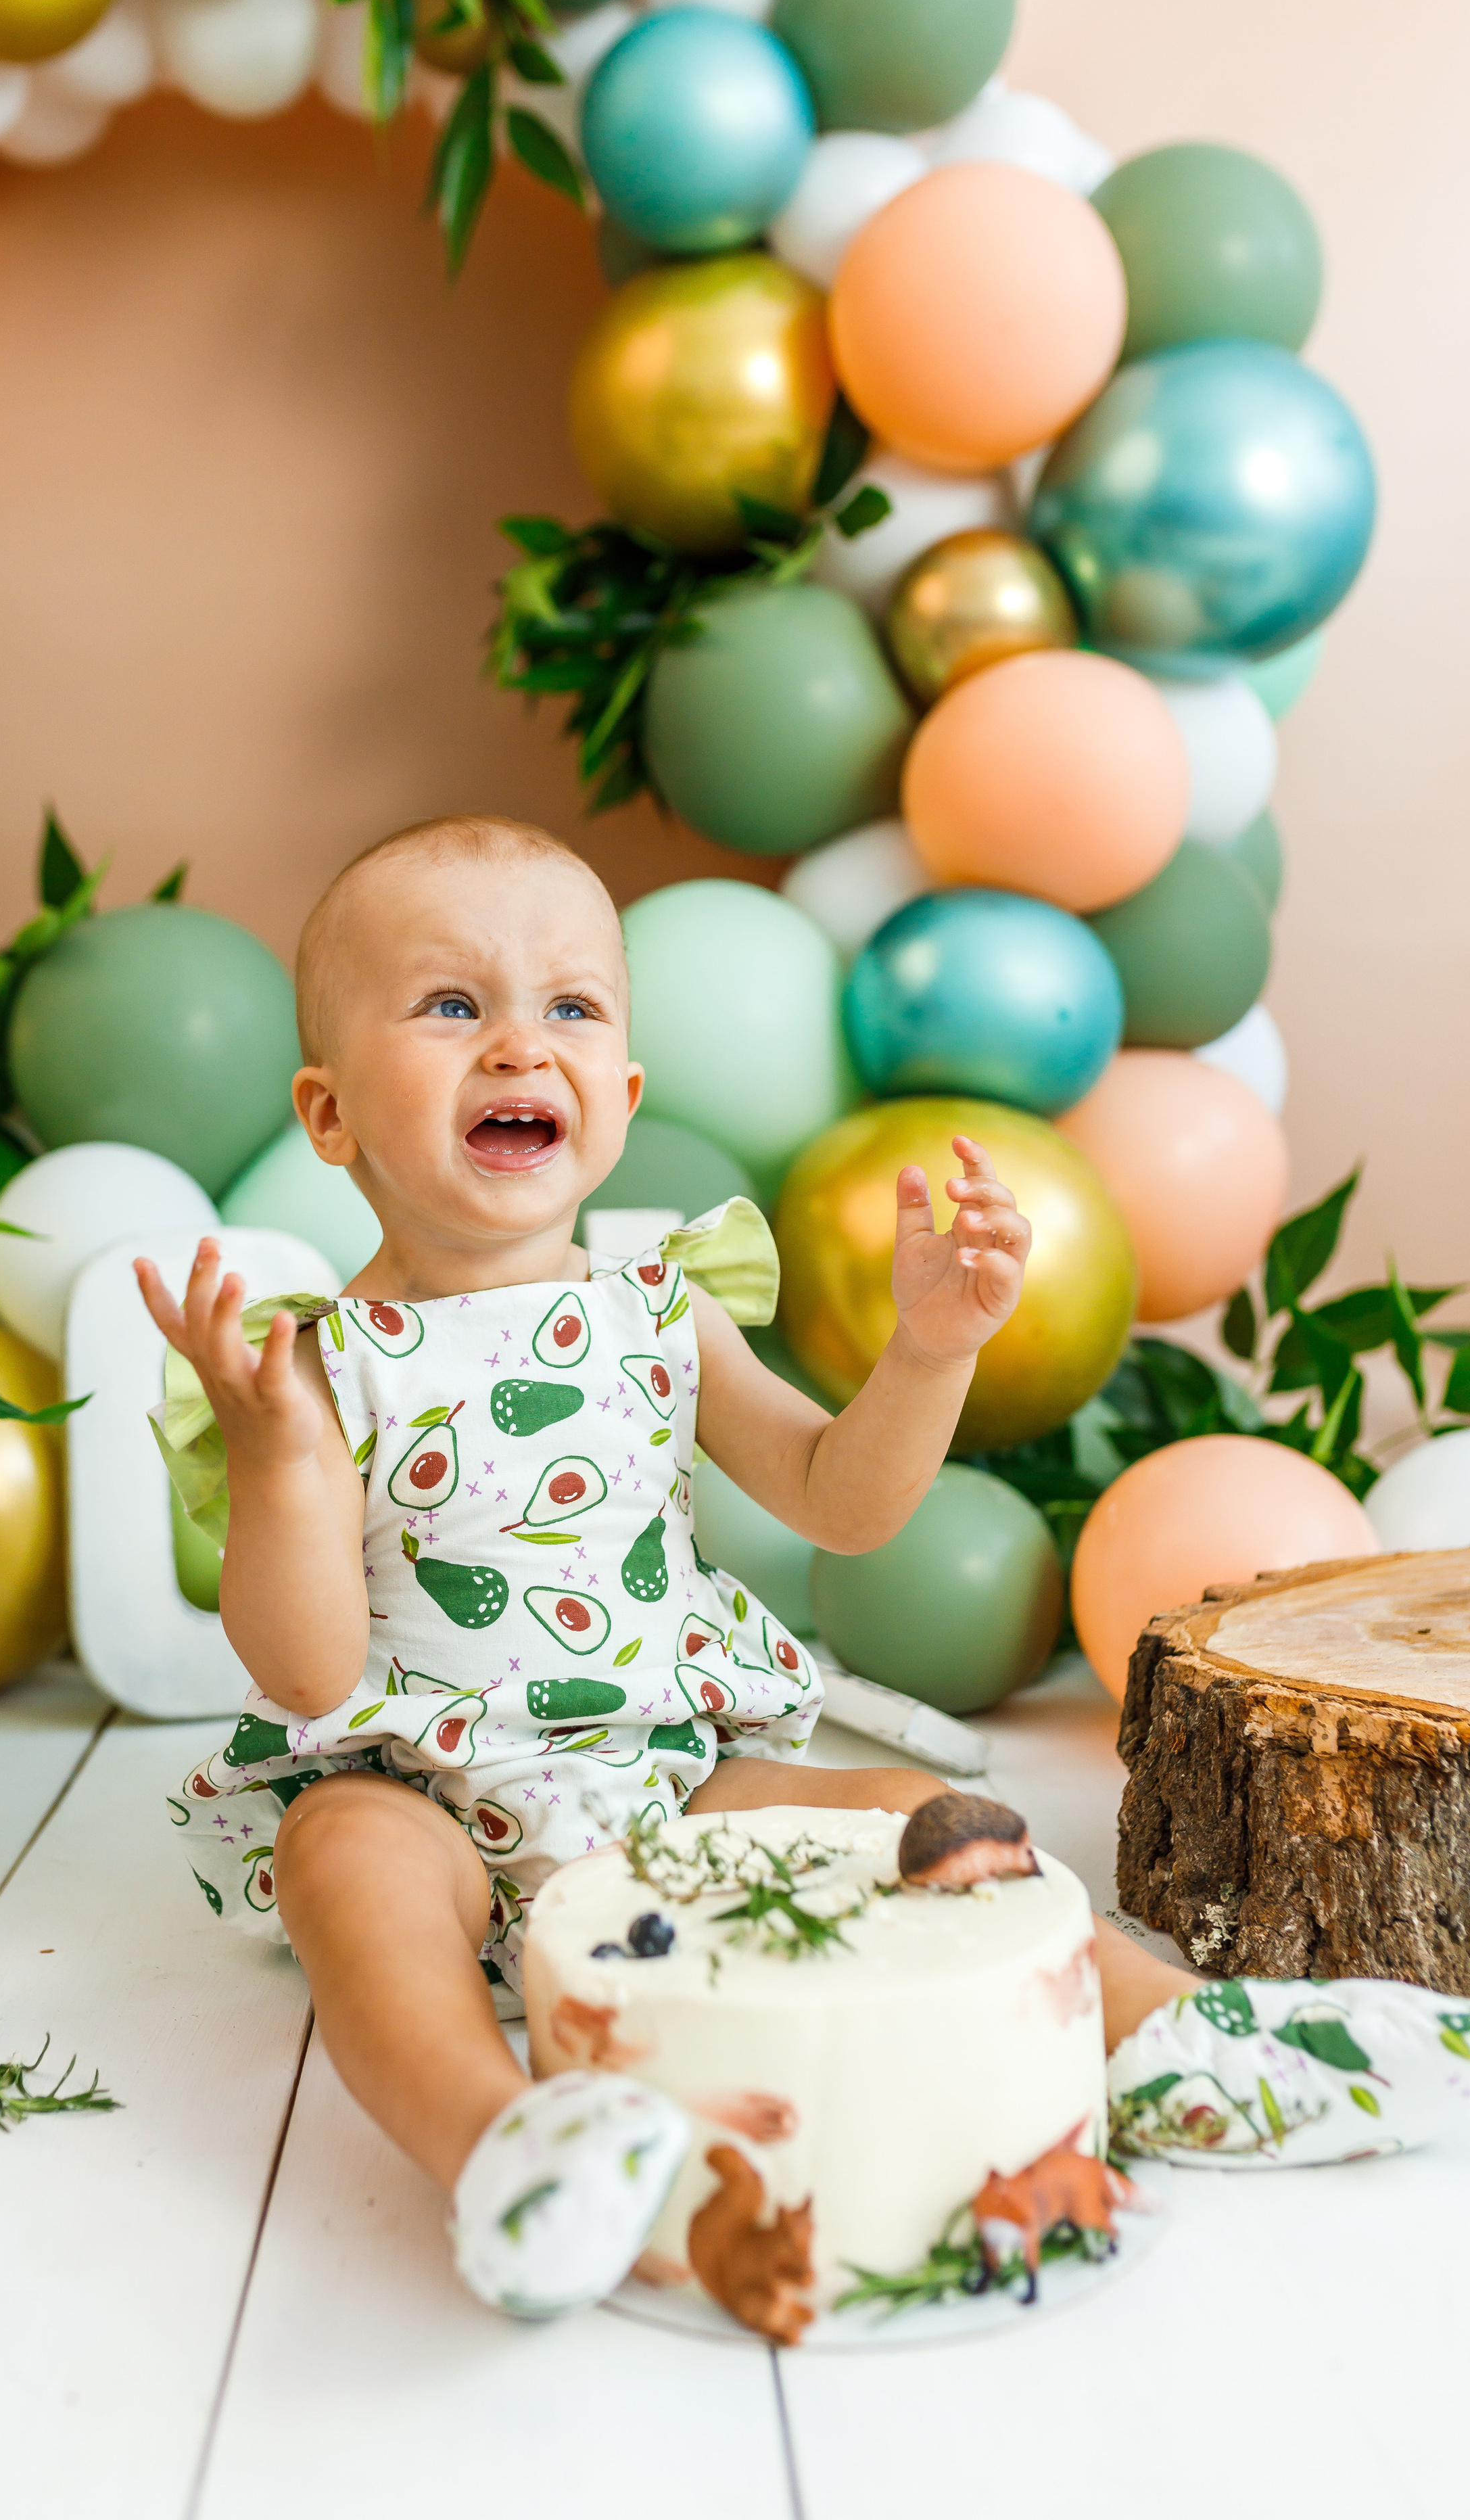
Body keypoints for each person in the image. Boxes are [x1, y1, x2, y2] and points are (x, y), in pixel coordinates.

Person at [140, 815, 1470, 2320]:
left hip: (667, 1777)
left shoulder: (661, 1307)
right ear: (328, 1115)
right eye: (452, 1006)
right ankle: (513, 2145)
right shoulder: (315, 1369)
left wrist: (928, 1352)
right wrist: (271, 1461)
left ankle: (1186, 2046)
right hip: (423, 1790)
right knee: (343, 1873)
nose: (519, 1045)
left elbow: (841, 1502)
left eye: (568, 1007)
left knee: (923, 1817)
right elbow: (307, 1672)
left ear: (623, 1097)